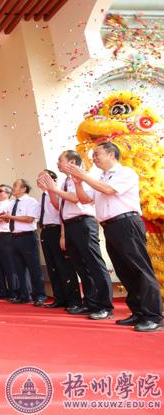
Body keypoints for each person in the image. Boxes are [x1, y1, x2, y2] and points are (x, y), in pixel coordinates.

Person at [65, 142, 162, 333]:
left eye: (97, 154)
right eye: (93, 155)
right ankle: (138, 312)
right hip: (109, 227)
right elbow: (85, 199)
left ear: (111, 154)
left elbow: (109, 190)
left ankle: (153, 317)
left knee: (139, 269)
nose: (93, 158)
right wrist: (78, 183)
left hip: (127, 223)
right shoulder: (100, 178)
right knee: (124, 271)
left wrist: (84, 176)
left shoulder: (125, 173)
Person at [44, 150, 113, 320]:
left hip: (84, 223)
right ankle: (90, 303)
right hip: (70, 225)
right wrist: (51, 190)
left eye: (60, 160)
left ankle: (105, 305)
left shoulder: (84, 177)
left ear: (72, 163)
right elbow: (58, 206)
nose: (57, 164)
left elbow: (76, 198)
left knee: (94, 264)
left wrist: (54, 189)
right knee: (81, 266)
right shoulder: (65, 182)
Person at [35, 169, 81, 309]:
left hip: (57, 230)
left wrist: (63, 235)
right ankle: (59, 297)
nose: (38, 180)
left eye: (42, 177)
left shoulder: (58, 192)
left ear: (52, 178)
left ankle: (73, 300)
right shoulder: (42, 197)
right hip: (45, 231)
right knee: (52, 266)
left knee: (64, 266)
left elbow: (61, 213)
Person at [0, 178, 46, 306]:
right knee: (18, 268)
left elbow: (30, 219)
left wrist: (10, 217)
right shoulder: (12, 203)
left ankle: (39, 295)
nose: (13, 188)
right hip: (14, 237)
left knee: (34, 267)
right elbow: (9, 219)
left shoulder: (31, 201)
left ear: (24, 189)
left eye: (15, 185)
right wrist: (5, 217)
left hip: (28, 237)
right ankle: (24, 295)